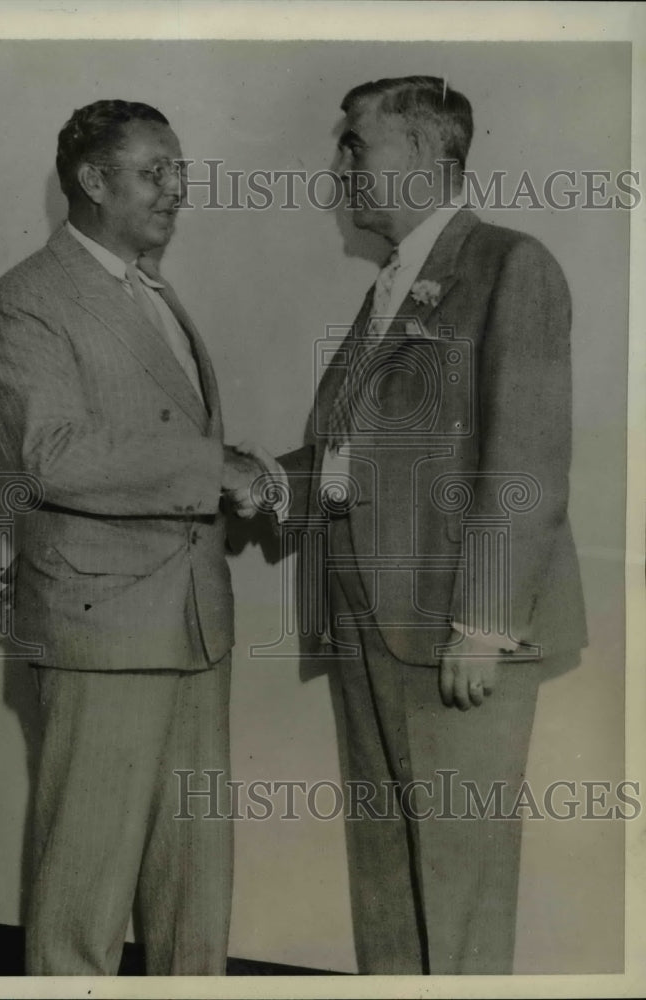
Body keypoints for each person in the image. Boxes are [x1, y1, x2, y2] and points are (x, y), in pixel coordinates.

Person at [246, 76, 587, 974]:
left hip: (450, 630)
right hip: (365, 623)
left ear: (427, 157)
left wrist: (482, 623)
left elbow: (525, 461)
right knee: (386, 879)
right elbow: (365, 453)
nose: (340, 164)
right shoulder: (396, 283)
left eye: (356, 144)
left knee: (458, 886)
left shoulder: (511, 265)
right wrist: (264, 483)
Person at [0, 99, 259, 976]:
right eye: (154, 173)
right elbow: (53, 456)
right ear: (93, 181)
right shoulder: (30, 296)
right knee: (84, 897)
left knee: (193, 890)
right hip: (102, 631)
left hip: (193, 623)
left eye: (179, 171)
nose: (177, 191)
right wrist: (213, 469)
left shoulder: (151, 290)